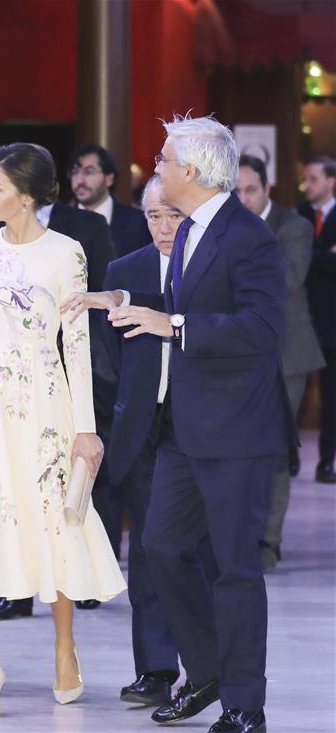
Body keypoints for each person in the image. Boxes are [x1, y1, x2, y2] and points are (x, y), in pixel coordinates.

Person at [65, 115, 292, 733]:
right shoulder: (189, 230)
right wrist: (117, 303)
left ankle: (246, 703)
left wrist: (178, 327)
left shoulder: (249, 237)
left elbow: (263, 330)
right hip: (182, 433)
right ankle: (210, 668)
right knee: (161, 549)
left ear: (190, 172)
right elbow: (178, 304)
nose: (156, 168)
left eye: (164, 160)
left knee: (236, 567)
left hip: (236, 435)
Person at [0, 142, 125, 721]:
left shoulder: (66, 253)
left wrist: (86, 430)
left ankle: (64, 648)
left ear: (26, 194)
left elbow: (77, 343)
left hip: (47, 409)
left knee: (56, 525)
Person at [0, 163, 119, 619]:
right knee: (14, 487)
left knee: (67, 481)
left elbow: (93, 299)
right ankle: (19, 586)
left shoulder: (82, 231)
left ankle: (78, 579)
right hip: (7, 386)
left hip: (67, 370)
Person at [90, 176, 184, 706]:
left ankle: (206, 666)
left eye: (173, 213)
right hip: (145, 424)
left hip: (200, 425)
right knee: (149, 547)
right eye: (154, 216)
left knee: (196, 551)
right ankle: (154, 669)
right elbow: (114, 352)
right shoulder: (123, 272)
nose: (164, 226)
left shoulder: (209, 266)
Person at [235, 155, 324, 568]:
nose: (243, 198)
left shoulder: (293, 226)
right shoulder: (226, 226)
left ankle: (267, 543)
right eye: (235, 191)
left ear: (267, 189)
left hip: (286, 354)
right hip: (236, 353)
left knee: (272, 452)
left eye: (250, 190)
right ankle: (235, 538)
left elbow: (286, 279)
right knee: (236, 450)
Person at [297, 156, 336, 484]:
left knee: (331, 397)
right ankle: (289, 458)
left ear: (330, 181)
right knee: (290, 392)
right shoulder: (298, 214)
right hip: (298, 319)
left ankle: (327, 462)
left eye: (312, 179)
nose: (306, 185)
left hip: (331, 323)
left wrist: (308, 255)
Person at [69, 143, 152, 258]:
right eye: (75, 172)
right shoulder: (58, 224)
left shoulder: (138, 223)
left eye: (89, 172)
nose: (80, 181)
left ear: (109, 178)